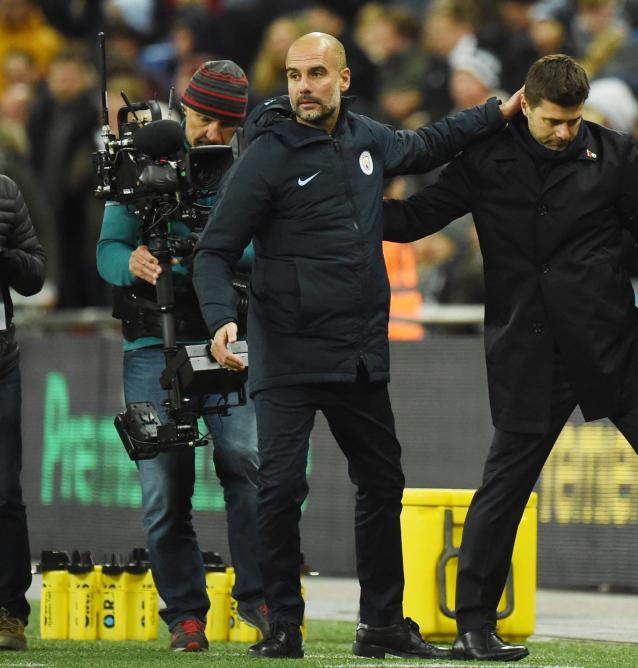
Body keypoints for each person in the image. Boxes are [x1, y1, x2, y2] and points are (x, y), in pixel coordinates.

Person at [382, 54, 638, 661]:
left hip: (615, 343)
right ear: (525, 105)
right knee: (504, 490)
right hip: (529, 352)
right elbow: (413, 220)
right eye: (551, 121)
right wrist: (340, 207)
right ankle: (473, 626)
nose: (564, 133)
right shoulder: (487, 156)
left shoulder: (614, 154)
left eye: (572, 120)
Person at [191, 32, 521, 660]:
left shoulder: (366, 137)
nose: (302, 86)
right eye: (293, 75)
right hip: (286, 352)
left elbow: (427, 144)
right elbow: (214, 249)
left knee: (382, 481)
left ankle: (381, 623)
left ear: (343, 79)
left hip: (359, 351)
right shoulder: (264, 156)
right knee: (282, 488)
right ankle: (282, 621)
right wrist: (219, 320)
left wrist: (495, 112)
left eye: (316, 73)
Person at [96, 60, 268, 652]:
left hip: (226, 336)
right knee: (164, 489)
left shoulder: (248, 169)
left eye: (223, 124)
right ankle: (186, 615)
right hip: (151, 341)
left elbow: (259, 248)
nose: (210, 134)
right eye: (202, 119)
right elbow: (107, 249)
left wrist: (212, 252)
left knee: (245, 461)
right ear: (183, 110)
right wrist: (133, 265)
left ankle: (261, 598)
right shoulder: (142, 160)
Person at [0, 173, 46, 651]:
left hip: (0, 364)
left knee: (5, 493)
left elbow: (36, 273)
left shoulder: (7, 191)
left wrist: (5, 257)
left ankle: (9, 610)